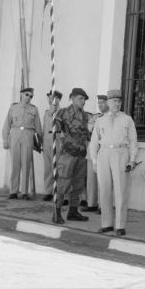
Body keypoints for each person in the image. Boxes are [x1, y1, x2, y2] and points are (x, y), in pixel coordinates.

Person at [90, 89, 139, 236]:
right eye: (113, 101)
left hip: (120, 153)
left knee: (120, 190)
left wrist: (132, 160)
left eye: (118, 101)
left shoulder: (127, 119)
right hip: (104, 154)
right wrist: (94, 161)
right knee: (104, 191)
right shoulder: (100, 120)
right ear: (108, 102)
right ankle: (106, 224)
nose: (116, 104)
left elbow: (133, 141)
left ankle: (120, 225)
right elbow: (93, 143)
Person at [52, 88, 91, 224]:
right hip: (68, 153)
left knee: (78, 183)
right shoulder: (63, 112)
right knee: (63, 182)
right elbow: (55, 127)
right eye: (81, 98)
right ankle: (56, 212)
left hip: (81, 153)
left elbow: (87, 134)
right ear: (73, 98)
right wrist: (54, 119)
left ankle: (73, 211)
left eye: (84, 99)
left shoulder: (85, 116)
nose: (83, 101)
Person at [2, 87, 43, 200]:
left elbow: (38, 127)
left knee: (26, 164)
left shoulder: (34, 109)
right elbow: (7, 124)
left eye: (31, 96)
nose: (29, 97)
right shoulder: (13, 107)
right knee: (15, 164)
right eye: (27, 95)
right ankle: (13, 191)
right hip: (15, 134)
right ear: (21, 94)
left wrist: (40, 142)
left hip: (28, 134)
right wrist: (5, 139)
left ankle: (24, 192)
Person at [82, 94, 109, 213]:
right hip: (92, 150)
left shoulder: (111, 117)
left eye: (103, 102)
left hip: (104, 150)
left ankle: (102, 206)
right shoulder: (95, 117)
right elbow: (88, 131)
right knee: (91, 178)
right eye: (99, 103)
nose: (100, 105)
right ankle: (91, 203)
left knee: (103, 179)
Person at [41, 90, 62, 201]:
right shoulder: (46, 112)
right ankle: (48, 191)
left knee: (59, 168)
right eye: (49, 97)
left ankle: (58, 192)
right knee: (48, 168)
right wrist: (41, 143)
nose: (50, 99)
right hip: (47, 141)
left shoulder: (62, 112)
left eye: (53, 97)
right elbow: (44, 129)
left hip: (58, 140)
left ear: (58, 99)